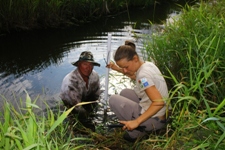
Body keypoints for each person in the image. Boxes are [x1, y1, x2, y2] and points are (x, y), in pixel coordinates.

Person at [106, 40, 171, 142]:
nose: (124, 70)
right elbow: (134, 76)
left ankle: (136, 134)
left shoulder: (143, 76)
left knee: (113, 99)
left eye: (126, 67)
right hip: (164, 113)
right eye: (122, 68)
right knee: (124, 93)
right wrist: (116, 68)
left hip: (157, 120)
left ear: (135, 58)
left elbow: (159, 103)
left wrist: (136, 122)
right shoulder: (147, 65)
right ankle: (140, 124)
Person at [59, 51, 101, 129]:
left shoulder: (95, 76)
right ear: (79, 65)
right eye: (85, 64)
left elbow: (96, 95)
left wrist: (95, 111)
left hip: (85, 99)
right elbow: (76, 107)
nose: (88, 68)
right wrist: (89, 121)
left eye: (91, 64)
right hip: (71, 105)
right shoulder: (70, 82)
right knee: (77, 123)